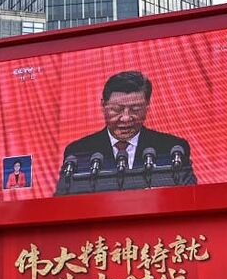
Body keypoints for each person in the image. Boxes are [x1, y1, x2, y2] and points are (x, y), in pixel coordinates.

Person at [55, 71, 197, 195]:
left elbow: (191, 197)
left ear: (147, 107)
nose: (126, 118)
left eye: (135, 109)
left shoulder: (172, 149)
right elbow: (62, 204)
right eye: (117, 109)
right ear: (103, 105)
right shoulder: (78, 153)